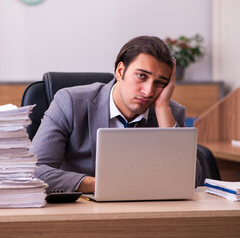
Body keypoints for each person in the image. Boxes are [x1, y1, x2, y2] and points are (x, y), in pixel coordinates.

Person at [30, 36, 202, 193]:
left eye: (160, 83)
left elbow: (192, 180)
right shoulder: (70, 102)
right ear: (120, 72)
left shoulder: (169, 113)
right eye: (141, 76)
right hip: (82, 213)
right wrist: (102, 185)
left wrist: (164, 109)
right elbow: (34, 171)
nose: (148, 91)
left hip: (146, 213)